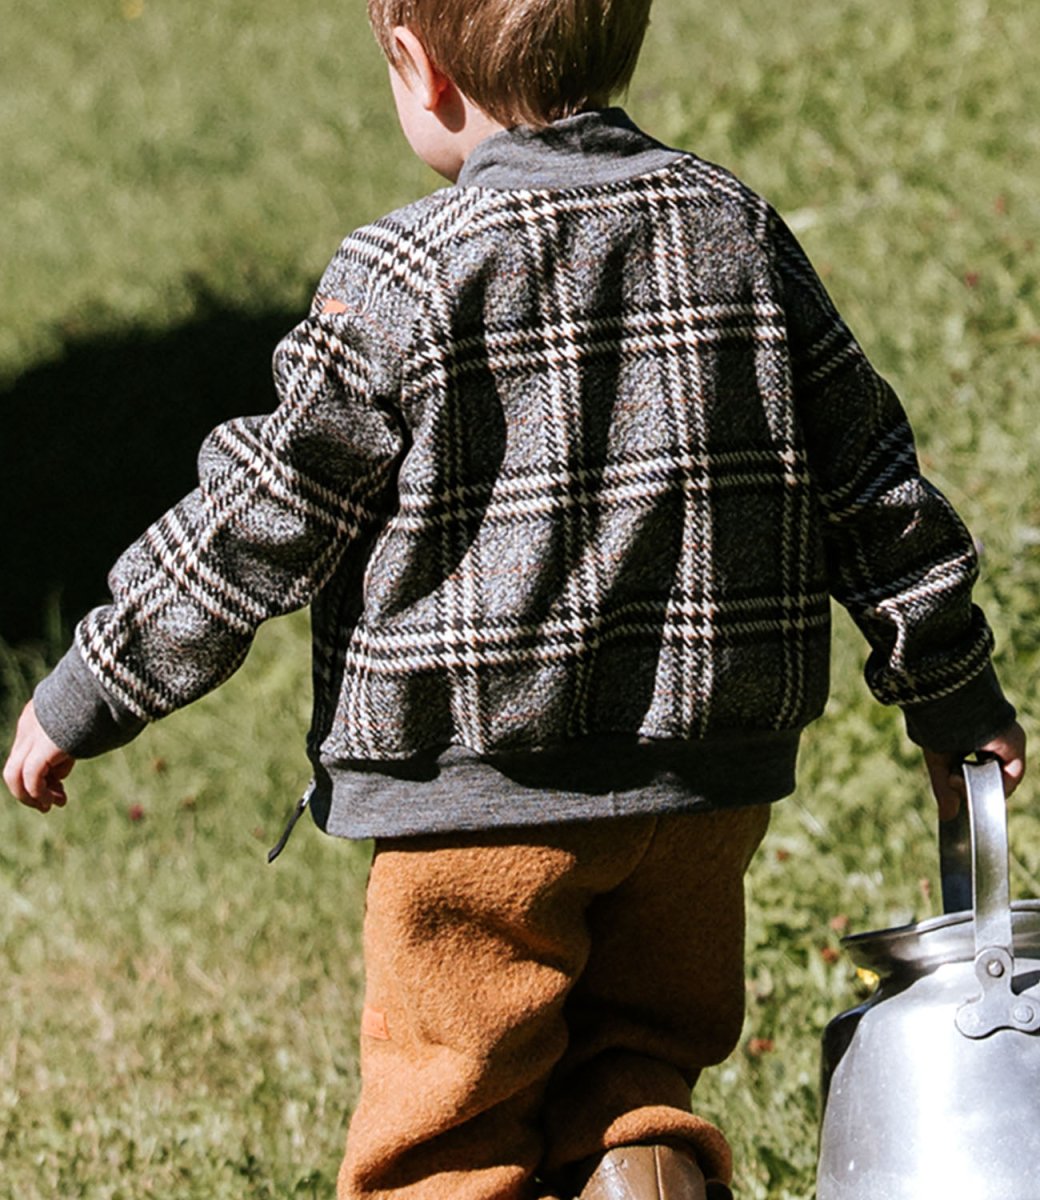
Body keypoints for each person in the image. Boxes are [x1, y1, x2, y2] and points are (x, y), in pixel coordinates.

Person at [4, 1, 1027, 1197]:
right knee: (637, 1078)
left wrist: (93, 684)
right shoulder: (734, 231)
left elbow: (262, 513)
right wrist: (953, 699)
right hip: (702, 795)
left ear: (415, 66)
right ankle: (644, 1176)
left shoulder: (401, 274)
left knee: (450, 1122)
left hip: (474, 808)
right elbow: (872, 487)